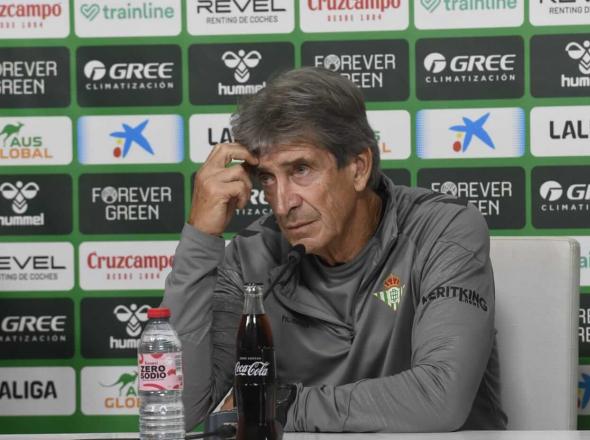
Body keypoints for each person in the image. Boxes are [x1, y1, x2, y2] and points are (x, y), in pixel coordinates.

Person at [161, 67, 507, 432]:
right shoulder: (252, 257)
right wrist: (200, 238)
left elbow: (440, 398)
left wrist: (279, 405)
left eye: (301, 170)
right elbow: (184, 411)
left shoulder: (442, 229)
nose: (281, 204)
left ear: (358, 167)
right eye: (267, 178)